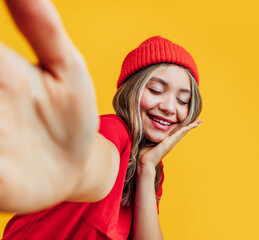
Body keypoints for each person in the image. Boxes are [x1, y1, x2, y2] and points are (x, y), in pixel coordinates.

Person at [0, 0, 202, 239]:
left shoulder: (150, 165)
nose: (169, 107)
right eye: (156, 90)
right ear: (132, 91)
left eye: (182, 100)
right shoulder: (113, 131)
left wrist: (147, 169)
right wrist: (75, 168)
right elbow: (98, 162)